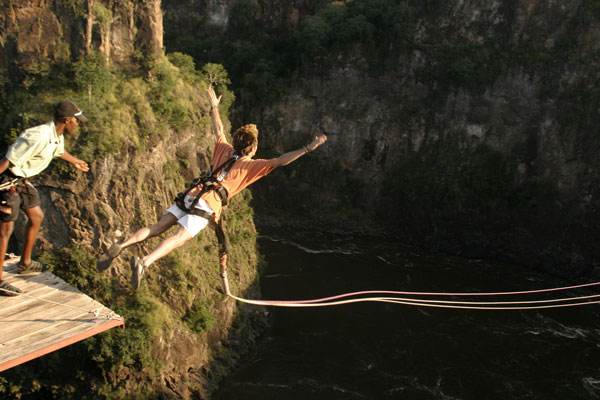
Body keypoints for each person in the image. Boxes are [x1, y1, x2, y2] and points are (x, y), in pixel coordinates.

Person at [99, 87, 327, 291]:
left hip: (191, 194)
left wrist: (214, 107)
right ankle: (145, 262)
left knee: (158, 226)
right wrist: (308, 148)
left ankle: (123, 244)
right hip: (208, 203)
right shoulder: (250, 166)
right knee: (179, 237)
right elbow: (280, 161)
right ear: (253, 148)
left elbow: (218, 130)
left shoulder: (224, 149)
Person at [0, 101, 90, 296]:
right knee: (6, 229)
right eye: (76, 121)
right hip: (8, 181)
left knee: (36, 217)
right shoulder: (36, 136)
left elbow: (58, 151)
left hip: (22, 180)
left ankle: (25, 263)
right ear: (67, 120)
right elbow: (7, 161)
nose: (78, 124)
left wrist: (76, 162)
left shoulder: (56, 136)